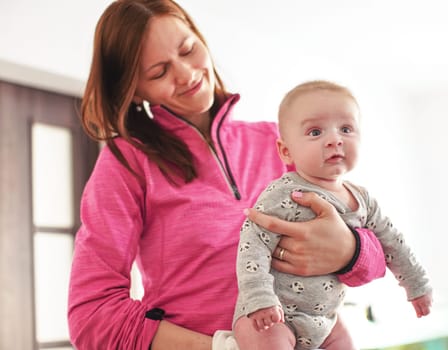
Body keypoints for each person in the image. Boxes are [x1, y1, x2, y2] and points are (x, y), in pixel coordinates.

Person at [67, 2, 387, 349]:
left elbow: (377, 257)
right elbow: (92, 316)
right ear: (135, 89)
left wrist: (351, 250)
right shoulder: (127, 163)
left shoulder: (277, 143)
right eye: (159, 72)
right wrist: (224, 347)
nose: (187, 74)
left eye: (188, 49)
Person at [233, 80, 433, 350]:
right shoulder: (284, 193)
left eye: (346, 129)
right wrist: (259, 297)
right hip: (272, 314)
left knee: (347, 342)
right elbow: (252, 242)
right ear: (286, 151)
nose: (335, 139)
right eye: (315, 132)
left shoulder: (363, 200)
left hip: (326, 320)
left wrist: (417, 284)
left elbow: (393, 242)